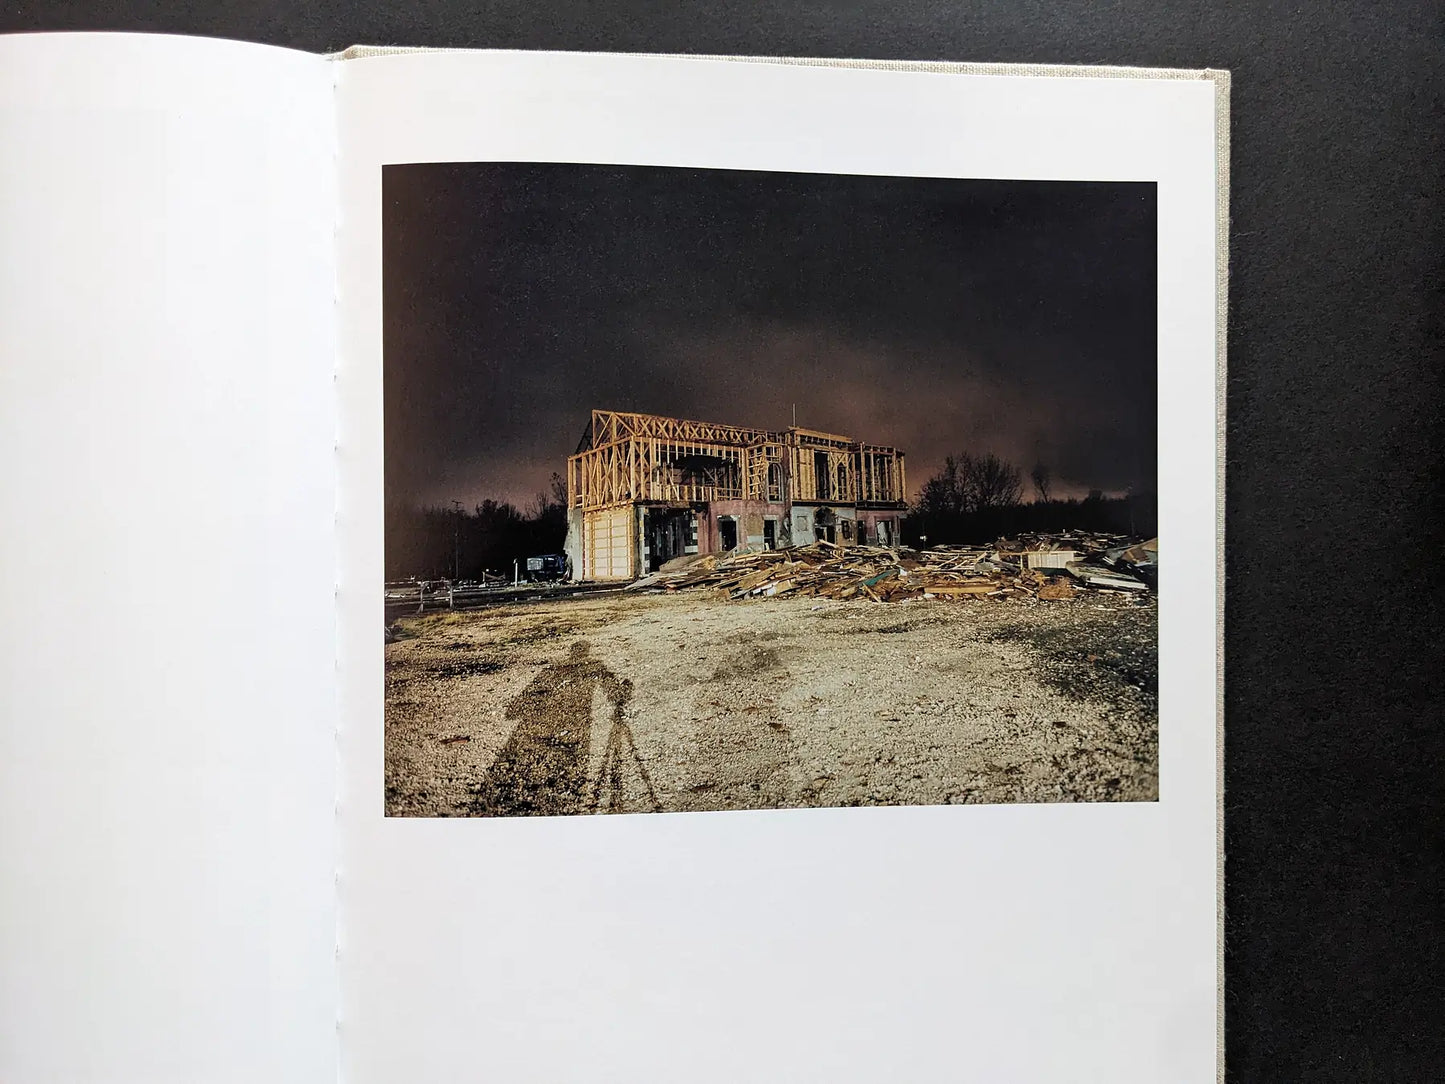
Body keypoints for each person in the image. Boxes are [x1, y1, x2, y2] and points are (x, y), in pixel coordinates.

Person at [473, 641, 630, 816]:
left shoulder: (553, 669)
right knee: (571, 778)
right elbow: (615, 694)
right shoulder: (595, 666)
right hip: (578, 729)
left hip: (546, 732)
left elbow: (516, 707)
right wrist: (625, 690)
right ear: (586, 651)